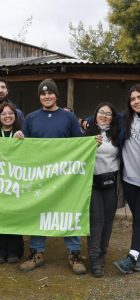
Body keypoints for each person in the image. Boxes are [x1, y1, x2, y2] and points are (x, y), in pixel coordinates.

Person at [14, 78, 86, 275]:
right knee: (39, 212)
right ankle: (36, 253)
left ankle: (74, 254)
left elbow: (79, 145)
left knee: (68, 212)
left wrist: (91, 144)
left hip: (65, 177)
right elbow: (24, 148)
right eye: (43, 94)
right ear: (40, 97)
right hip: (40, 177)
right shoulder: (31, 118)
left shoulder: (68, 117)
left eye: (50, 93)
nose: (47, 96)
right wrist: (18, 137)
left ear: (56, 95)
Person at [84, 102, 119, 277]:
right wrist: (89, 143)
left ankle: (103, 254)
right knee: (96, 221)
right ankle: (94, 258)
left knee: (108, 221)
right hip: (93, 184)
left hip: (111, 183)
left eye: (108, 113)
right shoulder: (87, 131)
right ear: (95, 114)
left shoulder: (117, 133)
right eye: (101, 112)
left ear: (113, 117)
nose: (104, 116)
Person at [0, 102, 24, 264]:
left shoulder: (21, 134)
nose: (7, 116)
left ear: (15, 115)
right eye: (3, 114)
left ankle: (14, 250)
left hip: (16, 182)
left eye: (10, 113)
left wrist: (24, 140)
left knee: (14, 215)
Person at [113, 84, 140, 274]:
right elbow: (103, 117)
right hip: (130, 179)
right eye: (133, 99)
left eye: (139, 97)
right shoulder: (125, 119)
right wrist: (85, 121)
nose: (136, 101)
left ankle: (132, 257)